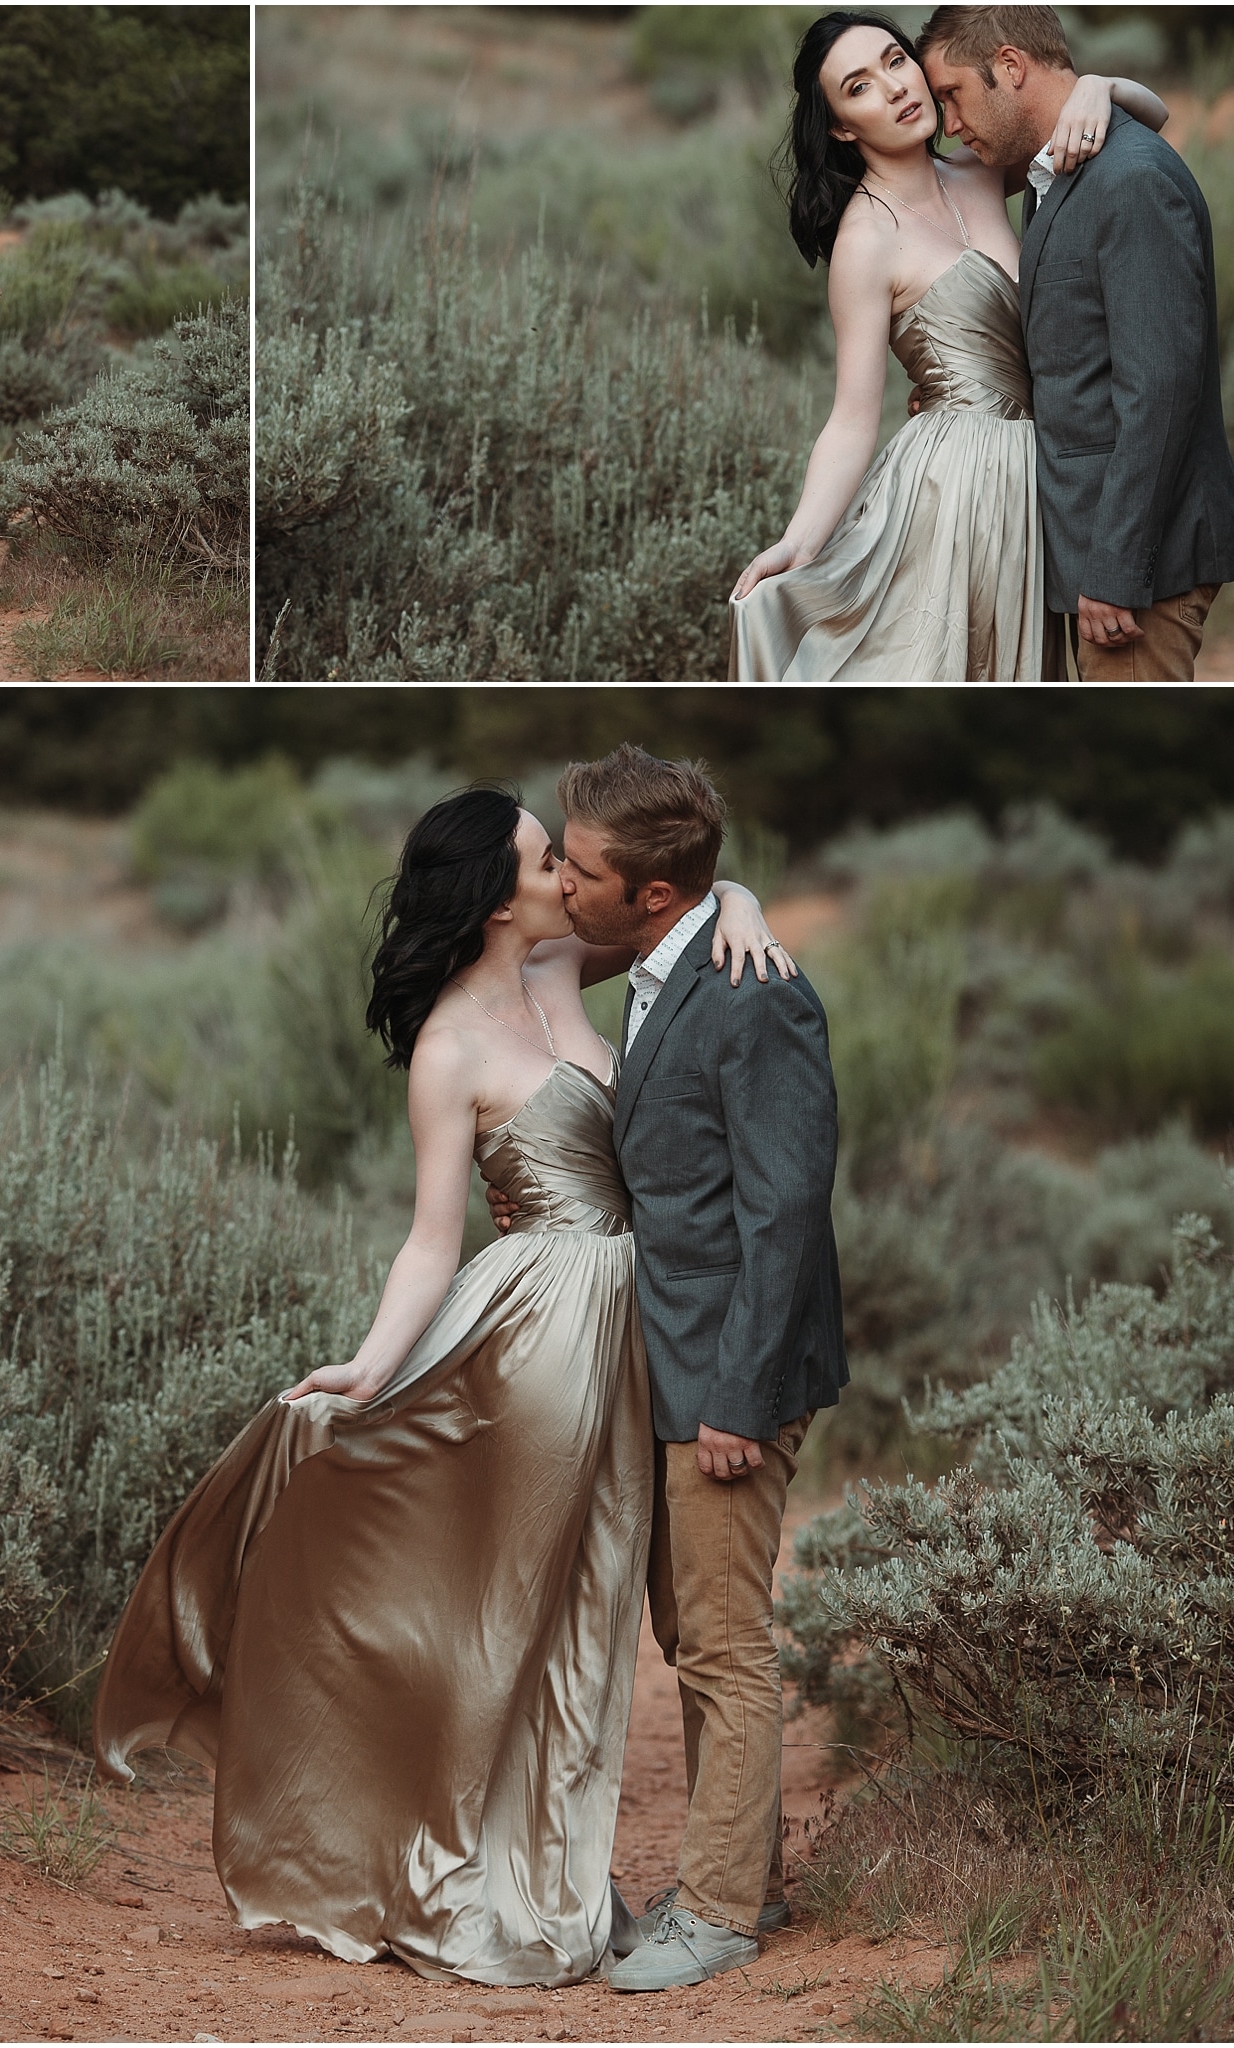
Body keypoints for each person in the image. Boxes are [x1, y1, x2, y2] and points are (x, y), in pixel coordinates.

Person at [93, 784, 795, 1987]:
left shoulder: (563, 963)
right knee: (517, 1606)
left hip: (644, 1312)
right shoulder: (448, 1048)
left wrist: (741, 897)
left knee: (613, 1600)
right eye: (539, 862)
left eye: (566, 865)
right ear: (489, 898)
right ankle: (488, 1868)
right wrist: (371, 1361)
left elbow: (672, 896)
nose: (562, 878)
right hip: (538, 1334)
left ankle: (601, 1871)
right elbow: (430, 1236)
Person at [487, 747, 847, 1994]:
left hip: (728, 1381)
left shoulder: (753, 996)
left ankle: (719, 1914)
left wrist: (739, 1402)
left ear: (645, 893)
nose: (563, 887)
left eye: (580, 871)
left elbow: (785, 1211)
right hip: (663, 1364)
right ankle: (742, 1874)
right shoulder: (665, 947)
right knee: (688, 1628)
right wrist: (732, 886)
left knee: (723, 1644)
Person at [727, 11, 1169, 679]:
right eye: (859, 86)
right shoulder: (864, 242)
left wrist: (1094, 87)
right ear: (842, 127)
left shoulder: (980, 170)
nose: (894, 87)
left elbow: (1153, 118)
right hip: (952, 488)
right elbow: (850, 418)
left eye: (894, 62)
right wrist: (799, 540)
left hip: (1042, 473)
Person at [918, 4, 1234, 680]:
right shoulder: (1052, 172)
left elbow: (1159, 391)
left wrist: (1113, 569)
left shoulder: (1129, 180)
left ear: (1009, 67)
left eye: (951, 95)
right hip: (1102, 547)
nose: (949, 124)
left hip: (1140, 568)